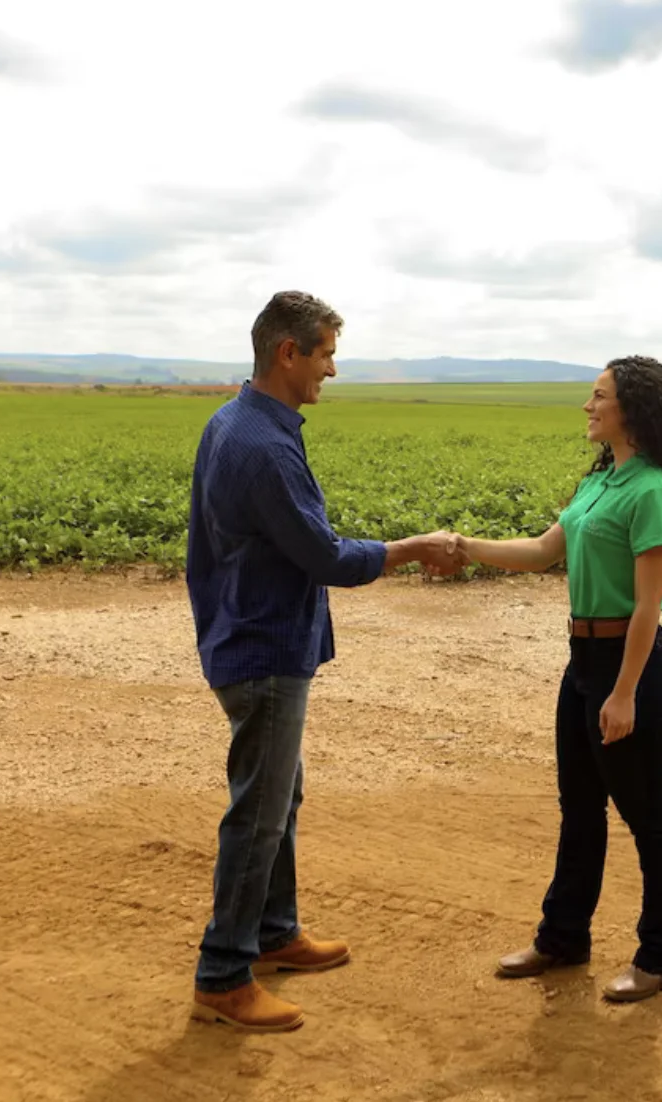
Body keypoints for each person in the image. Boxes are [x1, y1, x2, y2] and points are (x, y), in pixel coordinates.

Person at [185, 290, 460, 1032]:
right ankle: (223, 974)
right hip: (265, 648)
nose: (332, 370)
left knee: (280, 799)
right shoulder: (264, 445)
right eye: (327, 354)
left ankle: (274, 934)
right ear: (289, 353)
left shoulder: (235, 421)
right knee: (260, 815)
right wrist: (413, 547)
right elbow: (325, 556)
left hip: (244, 635)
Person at [439, 355, 662, 1002]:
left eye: (598, 396)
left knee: (649, 816)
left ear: (632, 411)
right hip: (583, 661)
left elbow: (648, 606)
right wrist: (464, 545)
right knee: (579, 809)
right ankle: (562, 938)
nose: (587, 407)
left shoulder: (654, 492)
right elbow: (541, 550)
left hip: (628, 667)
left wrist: (623, 694)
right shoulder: (601, 482)